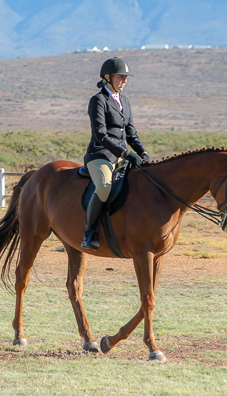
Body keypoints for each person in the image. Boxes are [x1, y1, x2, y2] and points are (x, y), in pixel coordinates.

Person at [81, 57, 149, 251]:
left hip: (121, 156)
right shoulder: (98, 100)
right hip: (100, 155)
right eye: (121, 77)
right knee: (104, 186)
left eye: (126, 77)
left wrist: (143, 152)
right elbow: (101, 135)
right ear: (108, 77)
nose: (124, 80)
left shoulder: (125, 101)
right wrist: (125, 153)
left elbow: (131, 133)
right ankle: (89, 233)